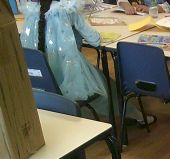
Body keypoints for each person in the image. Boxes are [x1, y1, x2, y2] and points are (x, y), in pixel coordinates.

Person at [19, 0, 153, 126]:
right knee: (106, 85)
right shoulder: (68, 10)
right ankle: (136, 116)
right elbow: (95, 40)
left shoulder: (30, 10)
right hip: (68, 75)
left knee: (98, 79)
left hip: (41, 82)